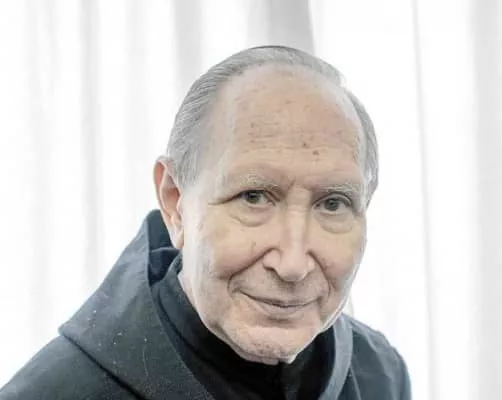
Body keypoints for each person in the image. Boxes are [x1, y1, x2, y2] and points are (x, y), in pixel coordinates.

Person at [0, 45, 411, 400]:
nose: (292, 264)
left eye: (333, 204)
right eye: (253, 197)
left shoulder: (380, 373)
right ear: (175, 203)